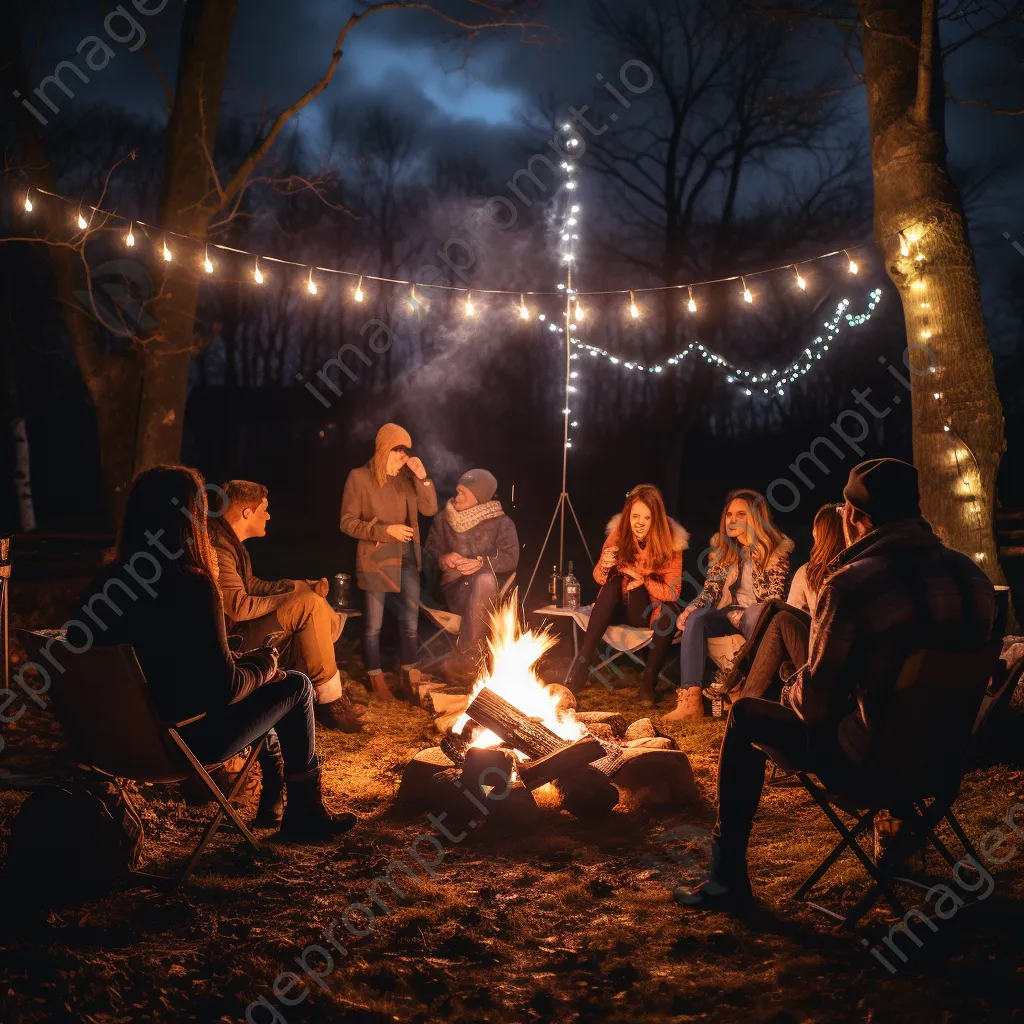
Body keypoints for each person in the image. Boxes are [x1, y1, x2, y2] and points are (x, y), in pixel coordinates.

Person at [677, 458, 996, 910]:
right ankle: (902, 832)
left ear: (853, 516)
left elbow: (815, 705)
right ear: (917, 508)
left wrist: (789, 686)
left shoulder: (853, 586)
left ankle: (726, 877)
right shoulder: (973, 578)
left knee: (747, 715)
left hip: (867, 762)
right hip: (943, 761)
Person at [78, 465, 357, 844]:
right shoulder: (192, 584)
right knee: (295, 685)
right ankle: (304, 813)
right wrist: (263, 664)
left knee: (266, 681)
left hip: (113, 742)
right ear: (190, 515)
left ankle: (276, 794)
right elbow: (223, 689)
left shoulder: (104, 585)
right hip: (184, 743)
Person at [209, 480, 363, 733]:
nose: (268, 515)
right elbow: (238, 606)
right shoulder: (220, 548)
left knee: (311, 597)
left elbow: (251, 585)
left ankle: (320, 694)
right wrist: (292, 599)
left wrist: (297, 586)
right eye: (264, 509)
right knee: (308, 605)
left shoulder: (230, 543)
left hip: (240, 629)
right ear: (247, 512)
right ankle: (330, 702)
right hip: (233, 640)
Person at [667, 490, 793, 721]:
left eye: (741, 514)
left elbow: (774, 598)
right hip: (727, 612)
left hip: (758, 615)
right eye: (729, 514)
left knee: (756, 613)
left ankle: (742, 689)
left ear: (756, 518)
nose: (731, 520)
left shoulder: (776, 550)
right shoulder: (723, 550)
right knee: (697, 618)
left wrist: (744, 613)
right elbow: (710, 591)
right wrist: (690, 608)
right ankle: (691, 699)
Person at [563, 484, 689, 704]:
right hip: (616, 606)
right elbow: (599, 579)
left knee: (669, 612)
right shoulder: (619, 534)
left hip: (647, 610)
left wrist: (643, 580)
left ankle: (648, 685)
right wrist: (604, 563)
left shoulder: (671, 544)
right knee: (612, 585)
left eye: (646, 518)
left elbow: (672, 592)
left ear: (656, 519)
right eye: (635, 516)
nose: (639, 522)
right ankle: (581, 666)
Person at [340, 423, 437, 704]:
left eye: (406, 454)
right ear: (384, 451)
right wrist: (385, 530)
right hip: (376, 559)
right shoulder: (358, 478)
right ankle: (376, 677)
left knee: (410, 623)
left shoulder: (406, 479)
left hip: (408, 558)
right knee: (373, 625)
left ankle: (409, 675)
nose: (403, 460)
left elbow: (429, 509)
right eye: (398, 454)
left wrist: (422, 477)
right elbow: (347, 523)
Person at [735, 502, 846, 702]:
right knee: (777, 612)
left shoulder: (817, 573)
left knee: (778, 614)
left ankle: (740, 689)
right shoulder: (817, 572)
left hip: (826, 652)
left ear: (820, 534)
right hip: (822, 648)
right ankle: (743, 693)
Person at [423, 468, 519, 657]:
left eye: (463, 493)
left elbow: (511, 558)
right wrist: (444, 558)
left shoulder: (501, 523)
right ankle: (470, 655)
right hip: (454, 592)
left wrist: (483, 563)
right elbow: (429, 552)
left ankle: (468, 654)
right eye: (457, 491)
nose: (457, 497)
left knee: (485, 579)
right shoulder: (443, 520)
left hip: (492, 596)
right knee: (483, 580)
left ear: (478, 497)